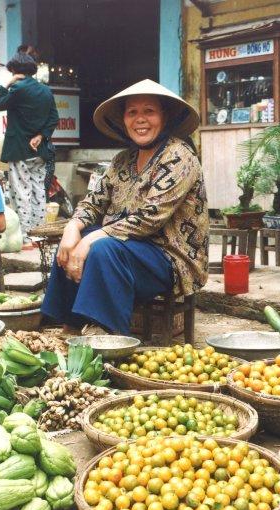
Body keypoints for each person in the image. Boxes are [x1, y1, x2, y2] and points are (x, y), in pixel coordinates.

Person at [41, 79, 209, 336]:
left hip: (170, 258)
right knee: (73, 244)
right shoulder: (122, 160)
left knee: (101, 247)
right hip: (128, 250)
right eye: (133, 112)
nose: (140, 119)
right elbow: (93, 202)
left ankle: (107, 334)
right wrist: (73, 227)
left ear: (164, 117)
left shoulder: (180, 156)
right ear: (124, 120)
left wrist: (92, 239)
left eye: (149, 111)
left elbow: (150, 218)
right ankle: (71, 326)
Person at [0, 52, 59, 245]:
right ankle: (39, 233)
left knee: (21, 192)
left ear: (14, 70)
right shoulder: (45, 91)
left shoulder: (18, 88)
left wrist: (8, 82)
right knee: (38, 190)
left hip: (19, 148)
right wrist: (40, 136)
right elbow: (53, 118)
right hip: (39, 149)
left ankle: (26, 234)